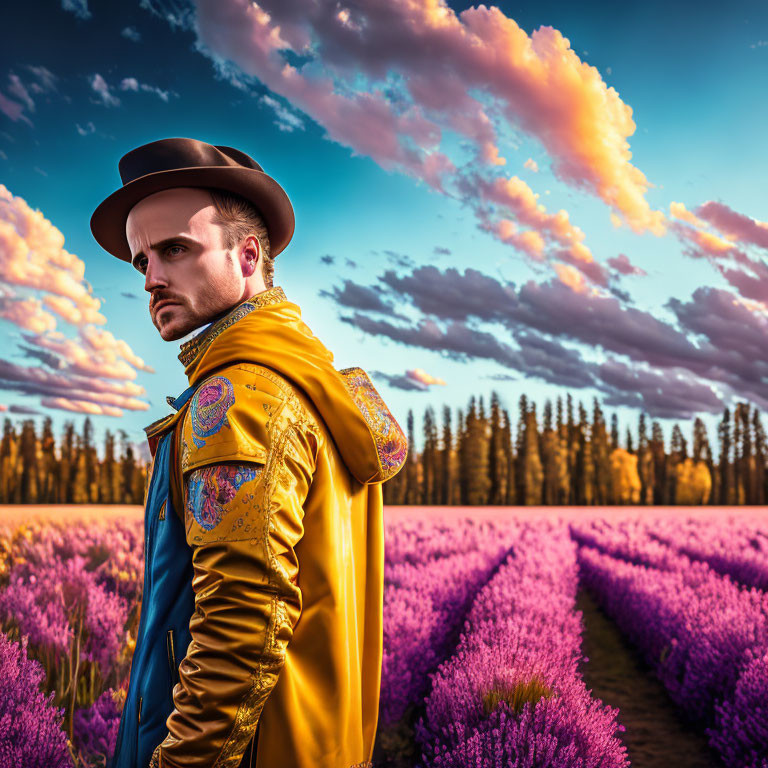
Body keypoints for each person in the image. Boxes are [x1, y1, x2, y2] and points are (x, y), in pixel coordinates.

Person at [90, 137, 408, 768]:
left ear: (248, 255)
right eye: (142, 261)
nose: (151, 278)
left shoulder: (239, 400)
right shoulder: (308, 382)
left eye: (176, 249)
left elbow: (241, 628)